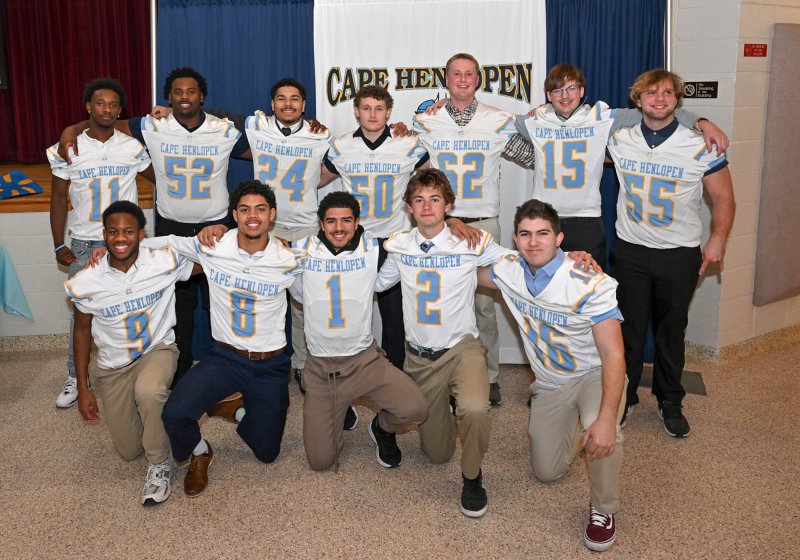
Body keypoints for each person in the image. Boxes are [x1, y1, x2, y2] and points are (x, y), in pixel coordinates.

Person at [59, 67, 248, 387]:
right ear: (169, 97)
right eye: (177, 92)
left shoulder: (224, 129)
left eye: (191, 92)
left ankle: (225, 375)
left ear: (202, 96)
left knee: (222, 306)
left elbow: (269, 141)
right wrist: (69, 130)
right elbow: (106, 122)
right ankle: (181, 374)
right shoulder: (152, 125)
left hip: (215, 228)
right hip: (171, 228)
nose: (184, 97)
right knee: (178, 309)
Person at [477, 199, 625, 551]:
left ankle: (604, 509)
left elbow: (614, 354)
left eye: (543, 233)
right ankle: (580, 429)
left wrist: (605, 417)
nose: (534, 242)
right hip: (549, 382)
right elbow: (462, 270)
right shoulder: (510, 271)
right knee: (546, 472)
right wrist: (453, 227)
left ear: (559, 238)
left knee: (604, 431)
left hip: (592, 374)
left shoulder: (589, 280)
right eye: (525, 234)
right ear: (515, 238)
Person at [374, 168, 512, 518]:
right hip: (419, 357)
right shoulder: (400, 245)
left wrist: (565, 259)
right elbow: (375, 284)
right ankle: (391, 424)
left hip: (461, 349)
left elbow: (514, 262)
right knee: (437, 454)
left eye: (435, 199)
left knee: (476, 408)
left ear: (448, 205)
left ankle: (473, 476)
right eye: (419, 199)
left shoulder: (470, 240)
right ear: (408, 207)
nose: (426, 206)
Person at [153, 180, 304, 497]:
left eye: (260, 209)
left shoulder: (286, 257)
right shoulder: (212, 246)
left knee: (267, 453)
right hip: (225, 359)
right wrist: (108, 248)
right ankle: (200, 452)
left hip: (270, 365)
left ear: (272, 215)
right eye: (245, 209)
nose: (253, 216)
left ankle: (232, 410)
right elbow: (163, 242)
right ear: (234, 215)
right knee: (175, 413)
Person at [607, 69, 735, 437]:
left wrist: (718, 238)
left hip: (679, 253)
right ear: (638, 99)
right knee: (627, 331)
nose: (659, 99)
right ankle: (625, 397)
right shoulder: (620, 138)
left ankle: (670, 399)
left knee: (671, 331)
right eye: (651, 93)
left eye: (667, 93)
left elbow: (723, 197)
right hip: (630, 251)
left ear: (678, 99)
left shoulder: (698, 144)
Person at [411, 53, 537, 407]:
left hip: (482, 223)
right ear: (446, 79)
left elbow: (532, 155)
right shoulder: (428, 120)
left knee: (483, 306)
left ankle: (490, 375)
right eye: (456, 74)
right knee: (446, 304)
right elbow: (406, 153)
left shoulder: (497, 120)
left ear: (477, 80)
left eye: (469, 74)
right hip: (440, 224)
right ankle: (449, 376)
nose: (463, 80)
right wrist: (405, 129)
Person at [514, 64, 729, 268]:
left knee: (586, 291)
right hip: (544, 218)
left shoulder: (601, 117)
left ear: (581, 91)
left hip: (586, 220)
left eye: (571, 88)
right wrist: (540, 110)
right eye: (557, 90)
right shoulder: (534, 121)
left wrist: (701, 122)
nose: (565, 95)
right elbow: (502, 124)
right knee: (544, 286)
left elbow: (656, 110)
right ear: (549, 96)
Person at [65, 201, 194, 506]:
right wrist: (83, 387)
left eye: (128, 231)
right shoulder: (87, 280)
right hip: (113, 365)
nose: (120, 238)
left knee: (149, 392)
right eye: (113, 232)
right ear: (104, 235)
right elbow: (81, 331)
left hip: (156, 349)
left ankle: (160, 465)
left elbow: (213, 259)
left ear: (141, 234)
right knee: (128, 450)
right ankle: (161, 418)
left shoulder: (162, 262)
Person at [289, 191, 428, 471]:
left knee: (416, 408)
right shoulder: (300, 249)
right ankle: (338, 411)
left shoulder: (374, 247)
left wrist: (458, 224)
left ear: (356, 222)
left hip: (364, 362)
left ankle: (381, 427)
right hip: (321, 369)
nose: (338, 228)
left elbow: (425, 235)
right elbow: (297, 294)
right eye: (331, 221)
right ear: (320, 223)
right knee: (320, 462)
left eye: (346, 220)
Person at [48, 77, 153, 408]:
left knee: (133, 304)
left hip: (124, 239)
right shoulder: (69, 148)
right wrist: (57, 244)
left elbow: (162, 178)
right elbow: (58, 197)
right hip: (83, 239)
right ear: (88, 107)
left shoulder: (131, 147)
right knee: (83, 312)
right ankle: (75, 376)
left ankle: (138, 372)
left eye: (113, 104)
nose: (106, 109)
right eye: (100, 103)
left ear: (120, 110)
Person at [320, 85, 430, 370]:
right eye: (366, 108)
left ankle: (393, 372)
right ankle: (351, 369)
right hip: (354, 240)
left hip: (394, 239)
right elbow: (316, 179)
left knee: (394, 314)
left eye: (379, 108)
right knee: (352, 310)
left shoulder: (407, 143)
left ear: (389, 112)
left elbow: (431, 179)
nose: (372, 114)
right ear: (356, 111)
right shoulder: (342, 145)